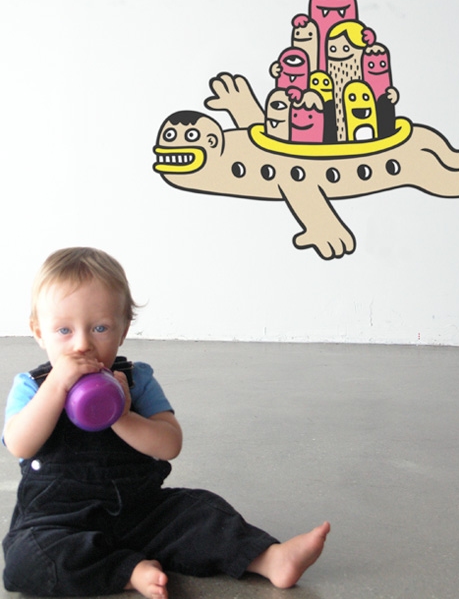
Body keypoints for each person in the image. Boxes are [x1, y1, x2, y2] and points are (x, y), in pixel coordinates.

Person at [2, 247, 330, 599]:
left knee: (199, 512)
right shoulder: (32, 387)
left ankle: (269, 559)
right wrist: (55, 388)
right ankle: (126, 571)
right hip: (58, 520)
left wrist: (122, 416)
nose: (83, 345)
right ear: (39, 332)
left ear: (123, 330)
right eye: (64, 330)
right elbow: (20, 444)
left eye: (100, 328)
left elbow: (170, 445)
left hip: (140, 511)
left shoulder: (135, 380)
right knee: (26, 559)